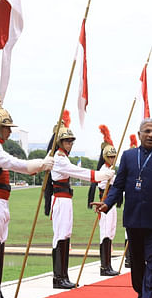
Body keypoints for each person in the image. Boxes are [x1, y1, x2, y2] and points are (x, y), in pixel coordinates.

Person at [0, 82, 54, 298]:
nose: (9, 131)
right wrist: (40, 164)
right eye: (7, 127)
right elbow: (14, 163)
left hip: (1, 202)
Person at [93, 118, 152, 298]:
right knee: (137, 262)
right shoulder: (128, 156)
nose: (150, 135)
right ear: (139, 134)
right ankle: (141, 295)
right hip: (133, 220)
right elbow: (118, 185)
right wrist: (107, 203)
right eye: (147, 131)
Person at [48, 119, 115, 289]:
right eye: (66, 141)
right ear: (60, 142)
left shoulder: (63, 157)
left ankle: (63, 275)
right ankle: (58, 276)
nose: (69, 144)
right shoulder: (59, 158)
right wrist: (102, 176)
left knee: (65, 235)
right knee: (61, 236)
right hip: (61, 200)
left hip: (66, 199)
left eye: (71, 141)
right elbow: (81, 173)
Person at [95, 125, 119, 276]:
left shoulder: (110, 171)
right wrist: (111, 177)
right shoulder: (104, 170)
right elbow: (102, 183)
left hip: (112, 204)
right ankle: (104, 266)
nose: (112, 159)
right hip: (105, 203)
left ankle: (108, 264)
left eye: (113, 157)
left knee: (111, 232)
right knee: (105, 233)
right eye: (110, 157)